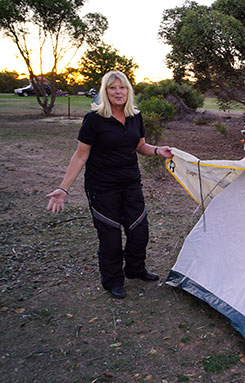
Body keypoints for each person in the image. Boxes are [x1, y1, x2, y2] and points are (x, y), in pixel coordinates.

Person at [46, 71, 173, 299]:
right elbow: (80, 155)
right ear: (105, 92)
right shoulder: (94, 120)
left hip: (131, 183)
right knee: (110, 237)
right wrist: (63, 188)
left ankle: (135, 269)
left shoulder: (135, 116)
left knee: (139, 231)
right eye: (112, 88)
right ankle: (112, 280)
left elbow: (140, 146)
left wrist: (157, 150)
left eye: (122, 88)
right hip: (102, 187)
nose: (118, 92)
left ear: (128, 91)